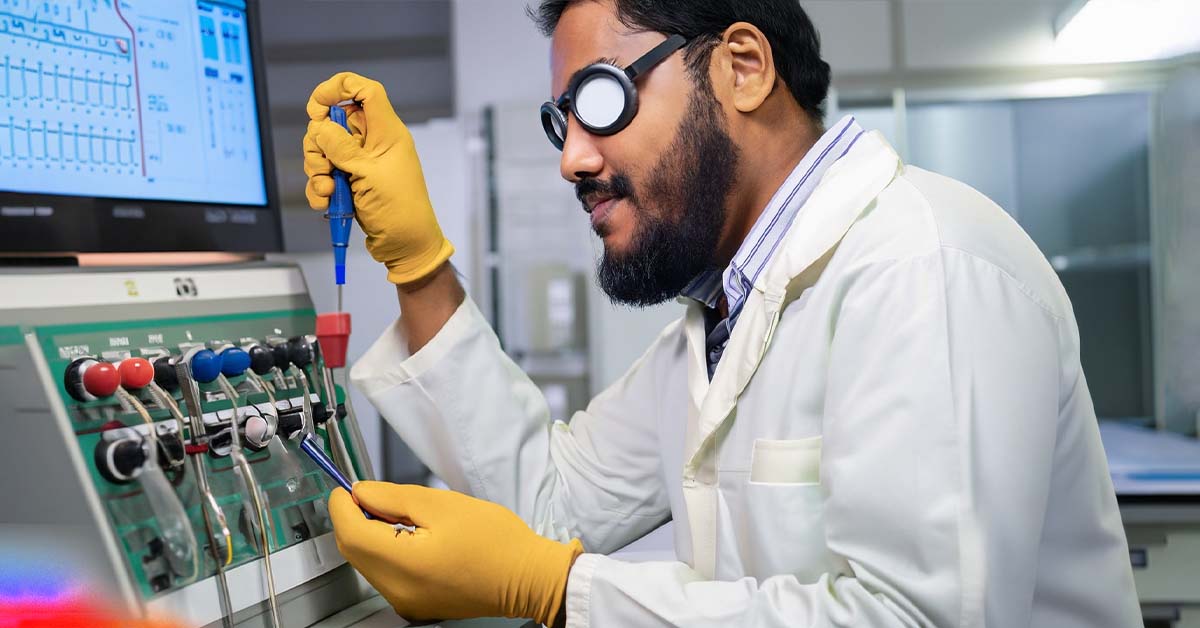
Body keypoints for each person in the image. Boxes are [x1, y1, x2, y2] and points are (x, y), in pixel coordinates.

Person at [301, 1, 1141, 626]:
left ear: (743, 67)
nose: (571, 158)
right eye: (561, 122)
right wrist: (417, 265)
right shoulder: (722, 319)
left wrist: (565, 591)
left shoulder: (924, 267)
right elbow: (547, 507)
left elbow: (916, 618)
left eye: (598, 101)